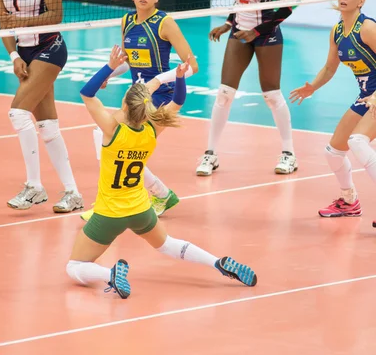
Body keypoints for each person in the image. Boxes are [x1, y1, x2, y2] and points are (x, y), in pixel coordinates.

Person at [66, 46, 257, 298]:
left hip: (109, 213)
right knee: (167, 245)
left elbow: (87, 94)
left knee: (74, 266)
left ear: (124, 103)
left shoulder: (112, 130)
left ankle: (109, 274)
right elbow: (177, 102)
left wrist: (111, 68)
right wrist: (178, 78)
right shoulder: (151, 131)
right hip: (141, 210)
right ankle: (217, 263)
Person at [81, 0, 198, 222]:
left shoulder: (165, 22)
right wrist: (108, 74)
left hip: (161, 96)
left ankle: (114, 202)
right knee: (113, 142)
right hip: (137, 96)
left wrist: (157, 81)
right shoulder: (127, 21)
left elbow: (192, 67)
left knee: (114, 142)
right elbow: (127, 62)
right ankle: (158, 194)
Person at [0, 0, 83, 213]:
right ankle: (73, 192)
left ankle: (34, 186)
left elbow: (55, 15)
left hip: (50, 47)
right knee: (47, 126)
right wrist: (14, 56)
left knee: (18, 113)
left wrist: (20, 22)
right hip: (26, 53)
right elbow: (3, 24)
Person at [196, 0, 297, 176]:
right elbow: (240, 1)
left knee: (271, 94)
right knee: (224, 93)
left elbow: (286, 7)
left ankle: (289, 154)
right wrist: (228, 23)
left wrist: (257, 31)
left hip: (266, 34)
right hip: (239, 31)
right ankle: (210, 154)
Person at [290, 0, 376, 219]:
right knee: (334, 151)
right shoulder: (337, 31)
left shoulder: (367, 28)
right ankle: (349, 201)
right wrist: (313, 87)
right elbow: (329, 68)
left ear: (361, 1)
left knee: (358, 141)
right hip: (366, 96)